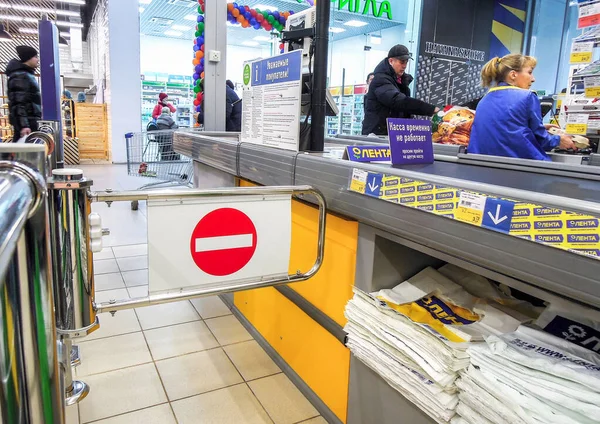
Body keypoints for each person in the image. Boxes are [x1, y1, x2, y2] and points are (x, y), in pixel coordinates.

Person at [468, 54, 575, 161]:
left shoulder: (485, 99)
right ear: (513, 75)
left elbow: (503, 128)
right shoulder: (527, 96)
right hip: (520, 165)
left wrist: (532, 126)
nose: (533, 79)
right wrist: (559, 140)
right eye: (529, 72)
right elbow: (542, 140)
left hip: (484, 164)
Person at [362, 45, 438, 136]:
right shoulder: (380, 80)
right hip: (377, 135)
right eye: (402, 62)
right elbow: (397, 100)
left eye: (406, 62)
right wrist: (430, 109)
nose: (404, 66)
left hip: (394, 135)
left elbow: (404, 110)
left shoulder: (401, 81)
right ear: (391, 61)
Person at [6, 45, 41, 142]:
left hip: (30, 122)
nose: (37, 60)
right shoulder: (20, 76)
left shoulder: (25, 75)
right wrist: (23, 125)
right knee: (23, 154)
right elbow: (18, 103)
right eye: (35, 57)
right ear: (28, 58)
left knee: (26, 154)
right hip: (27, 124)